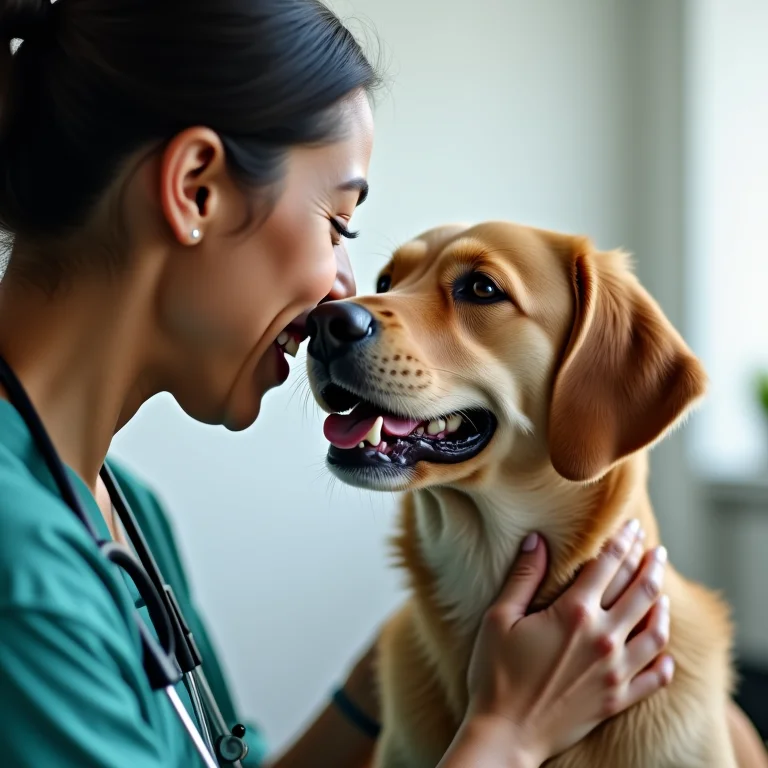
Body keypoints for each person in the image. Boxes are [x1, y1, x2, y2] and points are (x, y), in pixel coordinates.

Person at [0, 1, 764, 767]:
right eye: (338, 222)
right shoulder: (22, 566)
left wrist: (397, 674)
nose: (348, 296)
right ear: (197, 189)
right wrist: (506, 735)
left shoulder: (126, 514)